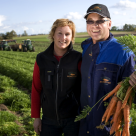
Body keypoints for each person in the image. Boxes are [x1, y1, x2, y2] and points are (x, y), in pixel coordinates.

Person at [78, 3, 135, 136]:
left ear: (109, 24)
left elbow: (131, 95)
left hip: (110, 128)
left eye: (100, 21)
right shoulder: (86, 48)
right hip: (84, 125)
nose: (94, 25)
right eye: (90, 21)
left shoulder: (124, 52)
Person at [31, 18, 82, 136]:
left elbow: (85, 88)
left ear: (72, 37)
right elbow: (36, 89)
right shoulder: (41, 59)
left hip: (73, 119)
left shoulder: (78, 59)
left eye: (67, 34)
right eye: (59, 33)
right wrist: (36, 117)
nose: (63, 38)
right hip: (49, 120)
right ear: (53, 34)